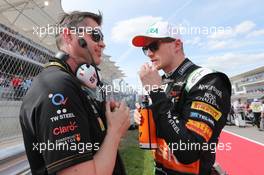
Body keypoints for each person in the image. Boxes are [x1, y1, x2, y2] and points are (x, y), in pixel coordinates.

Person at [19, 11, 130, 175]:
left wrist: (109, 123)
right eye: (96, 35)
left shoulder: (72, 86)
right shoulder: (57, 87)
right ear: (69, 36)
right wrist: (114, 132)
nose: (103, 44)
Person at [132, 21, 231, 175]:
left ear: (177, 45)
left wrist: (156, 92)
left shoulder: (207, 80)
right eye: (145, 49)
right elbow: (165, 123)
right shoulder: (161, 81)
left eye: (154, 46)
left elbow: (189, 151)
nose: (149, 54)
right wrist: (144, 115)